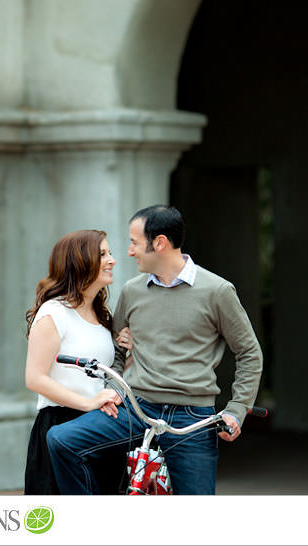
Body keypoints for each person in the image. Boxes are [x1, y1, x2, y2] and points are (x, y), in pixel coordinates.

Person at [46, 205, 264, 495]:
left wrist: (236, 409)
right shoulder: (132, 291)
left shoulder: (217, 291)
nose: (129, 251)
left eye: (134, 242)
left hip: (194, 417)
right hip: (137, 407)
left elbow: (249, 352)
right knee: (62, 440)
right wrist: (117, 387)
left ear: (159, 243)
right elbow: (117, 349)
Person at [23, 229, 133, 495]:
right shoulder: (54, 312)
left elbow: (101, 376)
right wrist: (87, 402)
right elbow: (35, 378)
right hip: (60, 425)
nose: (112, 260)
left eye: (110, 253)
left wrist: (128, 357)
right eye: (103, 254)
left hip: (100, 427)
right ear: (80, 262)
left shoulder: (101, 314)